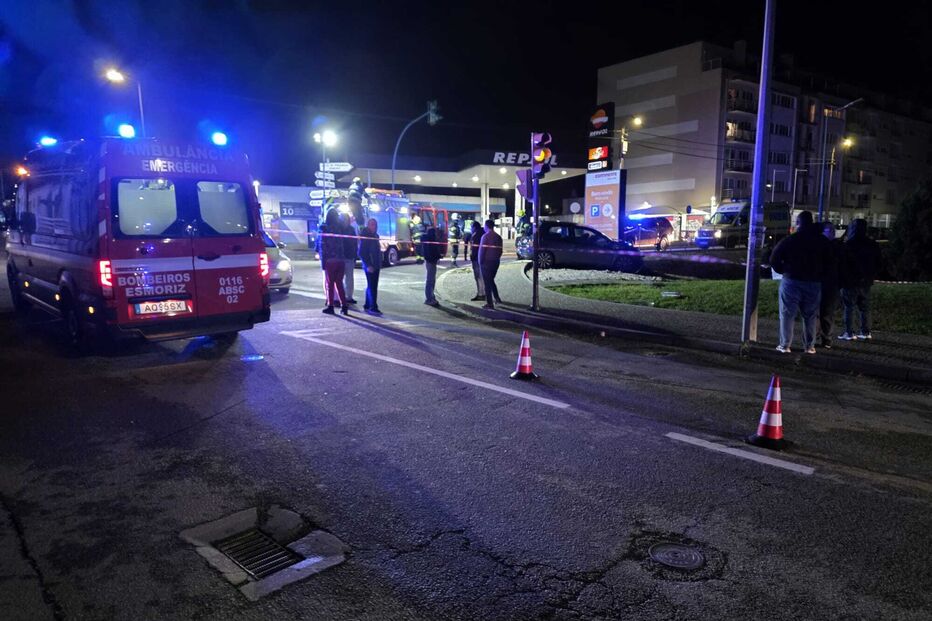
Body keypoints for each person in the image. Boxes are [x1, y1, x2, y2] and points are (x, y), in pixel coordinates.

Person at [769, 210, 830, 354]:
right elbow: (830, 261)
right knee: (810, 315)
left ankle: (785, 345)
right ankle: (809, 346)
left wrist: (783, 270)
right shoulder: (821, 241)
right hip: (813, 282)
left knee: (787, 314)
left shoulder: (790, 240)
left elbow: (774, 258)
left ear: (798, 223)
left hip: (791, 281)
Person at [838, 218, 882, 341]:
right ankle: (865, 331)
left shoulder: (848, 245)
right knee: (865, 307)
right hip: (866, 282)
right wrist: (871, 275)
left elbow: (842, 264)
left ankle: (849, 332)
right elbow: (879, 263)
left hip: (850, 282)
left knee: (849, 307)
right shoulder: (872, 244)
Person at [817, 221, 844, 348]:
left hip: (830, 283)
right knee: (821, 312)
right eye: (829, 230)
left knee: (826, 312)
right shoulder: (825, 246)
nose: (833, 232)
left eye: (833, 230)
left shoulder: (836, 246)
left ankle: (825, 338)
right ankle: (819, 337)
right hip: (823, 282)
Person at [317, 209, 348, 315]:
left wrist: (323, 262)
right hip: (340, 259)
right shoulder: (340, 228)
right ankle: (344, 306)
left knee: (330, 284)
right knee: (339, 283)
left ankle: (330, 306)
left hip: (330, 260)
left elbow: (322, 246)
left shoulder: (324, 228)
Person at [358, 217, 382, 314]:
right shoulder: (366, 236)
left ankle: (368, 304)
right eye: (372, 224)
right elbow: (361, 252)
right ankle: (373, 306)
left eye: (375, 225)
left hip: (376, 264)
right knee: (372, 286)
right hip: (370, 265)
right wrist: (368, 265)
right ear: (368, 225)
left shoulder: (375, 236)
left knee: (371, 285)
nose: (374, 227)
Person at [478, 219, 503, 309]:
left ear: (486, 226)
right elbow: (500, 251)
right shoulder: (498, 237)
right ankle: (497, 298)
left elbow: (482, 251)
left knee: (487, 283)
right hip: (495, 262)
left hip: (486, 262)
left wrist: (480, 262)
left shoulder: (485, 237)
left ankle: (489, 303)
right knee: (491, 280)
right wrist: (496, 258)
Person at [465, 221, 485, 301]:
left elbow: (474, 248)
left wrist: (472, 257)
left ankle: (481, 294)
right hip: (480, 258)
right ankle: (483, 293)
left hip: (476, 259)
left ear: (474, 227)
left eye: (471, 227)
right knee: (481, 277)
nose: (471, 229)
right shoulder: (482, 233)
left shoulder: (476, 235)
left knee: (478, 277)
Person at [341, 213, 358, 306]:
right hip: (341, 257)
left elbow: (355, 243)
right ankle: (342, 296)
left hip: (349, 257)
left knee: (349, 279)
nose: (345, 221)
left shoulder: (351, 229)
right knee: (340, 279)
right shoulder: (339, 229)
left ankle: (349, 297)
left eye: (346, 219)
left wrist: (354, 256)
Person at [423, 226, 441, 306]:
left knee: (432, 280)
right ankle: (429, 299)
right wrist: (437, 257)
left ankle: (431, 297)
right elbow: (431, 252)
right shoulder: (430, 240)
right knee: (430, 280)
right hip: (431, 262)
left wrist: (438, 256)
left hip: (432, 261)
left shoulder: (430, 240)